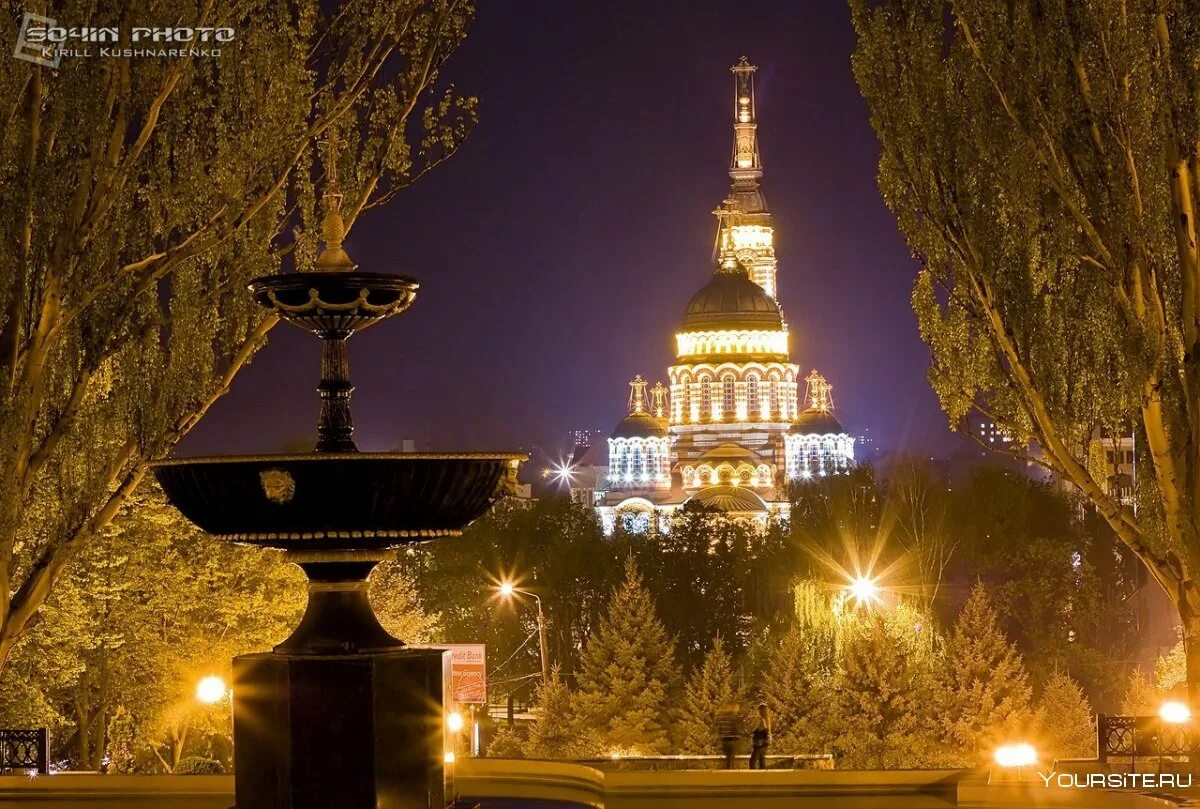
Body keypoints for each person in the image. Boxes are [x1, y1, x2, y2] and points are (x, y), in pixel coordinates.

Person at [715, 701, 742, 769]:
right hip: (733, 740)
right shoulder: (734, 717)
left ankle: (727, 770)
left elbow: (719, 729)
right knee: (731, 758)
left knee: (728, 757)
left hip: (725, 740)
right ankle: (730, 771)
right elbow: (738, 728)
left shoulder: (722, 717)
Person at [749, 702, 771, 770]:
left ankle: (753, 777)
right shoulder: (766, 719)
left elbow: (759, 729)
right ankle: (762, 778)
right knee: (761, 761)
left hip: (760, 744)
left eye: (760, 709)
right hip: (764, 743)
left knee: (752, 762)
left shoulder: (762, 719)